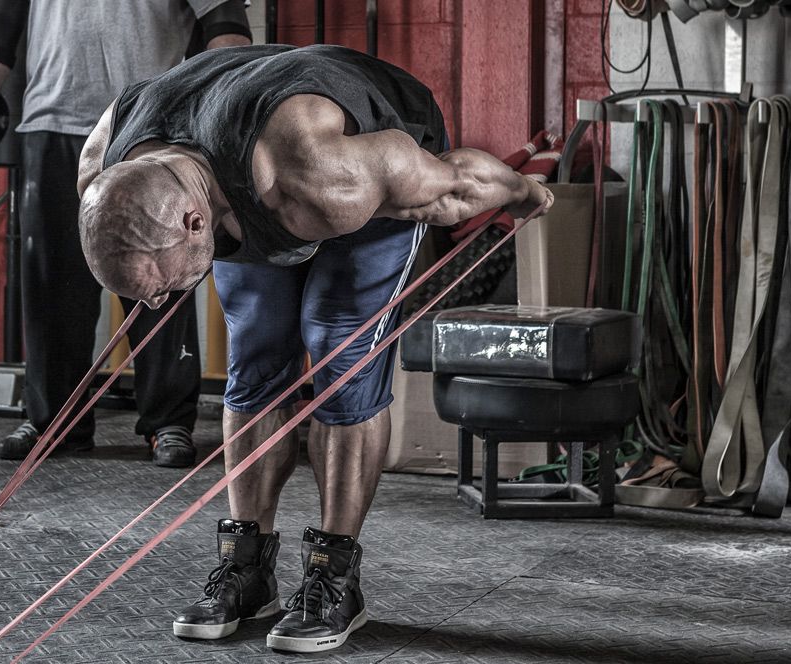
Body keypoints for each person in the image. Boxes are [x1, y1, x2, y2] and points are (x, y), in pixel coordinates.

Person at [77, 44, 554, 653]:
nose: (155, 306)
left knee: (339, 359)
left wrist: (519, 190)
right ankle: (247, 569)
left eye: (164, 285)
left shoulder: (318, 174)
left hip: (361, 152)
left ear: (196, 224)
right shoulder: (104, 170)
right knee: (255, 360)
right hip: (239, 149)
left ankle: (335, 577)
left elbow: (454, 187)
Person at [0, 0, 252, 467]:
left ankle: (168, 421)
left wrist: (223, 115)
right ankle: (55, 424)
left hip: (151, 128)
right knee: (53, 285)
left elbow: (226, 26)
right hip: (53, 123)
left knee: (162, 274)